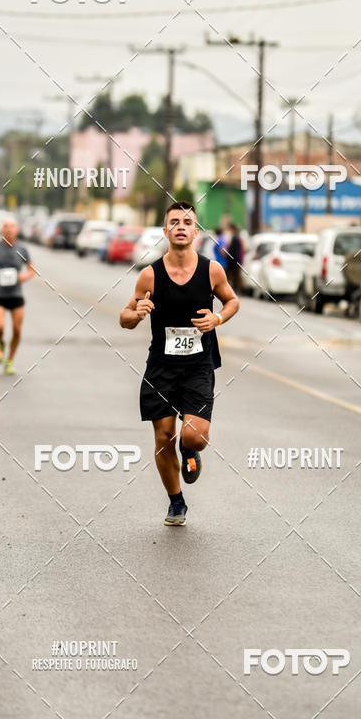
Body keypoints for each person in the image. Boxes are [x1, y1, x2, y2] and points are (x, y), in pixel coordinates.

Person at [119, 201, 239, 526]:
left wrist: (217, 318)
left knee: (193, 436)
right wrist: (136, 314)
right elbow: (124, 317)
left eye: (188, 221)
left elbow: (232, 301)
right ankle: (176, 502)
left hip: (199, 365)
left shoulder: (211, 270)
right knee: (162, 437)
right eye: (175, 221)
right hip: (161, 367)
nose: (181, 226)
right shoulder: (150, 275)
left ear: (196, 231)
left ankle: (189, 452)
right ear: (166, 230)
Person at [0, 218, 35, 375]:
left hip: (16, 295)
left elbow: (31, 269)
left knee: (17, 330)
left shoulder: (22, 249)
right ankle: (1, 343)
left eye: (12, 226)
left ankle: (9, 361)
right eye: (5, 226)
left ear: (17, 230)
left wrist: (24, 277)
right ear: (1, 230)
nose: (9, 229)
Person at [226, 223, 244, 295]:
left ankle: (236, 290)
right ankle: (236, 290)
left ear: (232, 230)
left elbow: (234, 252)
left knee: (235, 276)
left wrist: (233, 261)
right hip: (235, 260)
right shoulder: (236, 237)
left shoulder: (235, 238)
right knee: (235, 276)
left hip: (234, 261)